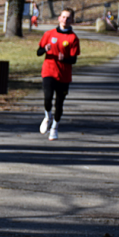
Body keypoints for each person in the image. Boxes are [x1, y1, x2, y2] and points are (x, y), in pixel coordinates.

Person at [37, 8, 80, 141]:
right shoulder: (49, 34)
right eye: (63, 17)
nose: (65, 20)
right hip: (49, 71)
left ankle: (55, 127)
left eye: (68, 18)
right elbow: (38, 52)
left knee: (59, 103)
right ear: (59, 18)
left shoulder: (73, 38)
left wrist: (64, 59)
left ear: (72, 20)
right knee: (48, 97)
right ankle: (47, 116)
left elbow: (74, 60)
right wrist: (45, 49)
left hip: (64, 75)